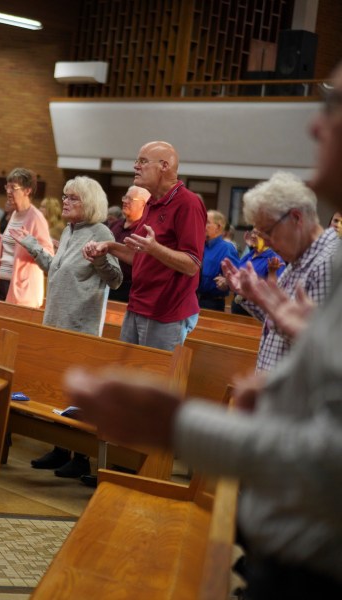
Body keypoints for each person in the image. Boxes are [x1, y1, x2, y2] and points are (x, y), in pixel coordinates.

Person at [64, 63, 342, 600]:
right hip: (291, 542)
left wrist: (180, 424)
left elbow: (329, 455)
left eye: (332, 107)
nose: (313, 125)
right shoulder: (313, 264)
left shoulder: (195, 207)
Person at [15, 175, 122, 479]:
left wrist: (100, 259)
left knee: (79, 395)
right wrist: (33, 246)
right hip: (56, 322)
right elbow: (55, 270)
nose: (65, 201)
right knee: (58, 388)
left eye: (72, 198)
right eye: (64, 196)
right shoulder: (70, 231)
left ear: (88, 203)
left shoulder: (100, 232)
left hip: (80, 325)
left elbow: (115, 279)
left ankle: (81, 458)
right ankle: (61, 449)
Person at [83, 141, 206, 351]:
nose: (135, 166)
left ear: (164, 166)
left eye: (143, 161)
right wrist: (109, 246)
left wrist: (154, 248)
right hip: (138, 304)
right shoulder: (151, 203)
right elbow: (139, 255)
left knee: (153, 379)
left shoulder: (188, 203)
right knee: (127, 377)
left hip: (166, 313)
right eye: (136, 161)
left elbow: (192, 264)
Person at [221, 171, 339, 372]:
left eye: (267, 231)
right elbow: (276, 326)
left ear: (296, 217)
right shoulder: (297, 259)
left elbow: (324, 353)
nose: (264, 242)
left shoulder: (328, 263)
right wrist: (251, 296)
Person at [0, 168, 53, 307]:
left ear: (27, 191)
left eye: (13, 187)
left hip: (22, 289)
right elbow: (8, 245)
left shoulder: (36, 218)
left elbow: (49, 255)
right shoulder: (15, 214)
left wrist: (30, 245)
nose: (8, 191)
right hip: (3, 283)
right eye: (7, 187)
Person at [217, 229, 284, 316]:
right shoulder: (249, 255)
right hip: (238, 304)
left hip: (256, 310)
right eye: (252, 232)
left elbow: (275, 290)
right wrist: (227, 282)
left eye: (257, 233)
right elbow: (240, 279)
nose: (252, 236)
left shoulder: (274, 259)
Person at [108, 185, 150, 302]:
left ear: (144, 204)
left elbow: (142, 260)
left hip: (129, 290)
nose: (125, 201)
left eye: (130, 199)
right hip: (107, 283)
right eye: (125, 197)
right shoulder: (114, 225)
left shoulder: (145, 230)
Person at [197, 210, 240, 311]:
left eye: (207, 222)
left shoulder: (227, 248)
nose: (203, 224)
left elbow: (237, 275)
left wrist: (227, 281)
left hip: (212, 303)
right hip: (193, 299)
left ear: (218, 227)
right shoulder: (200, 245)